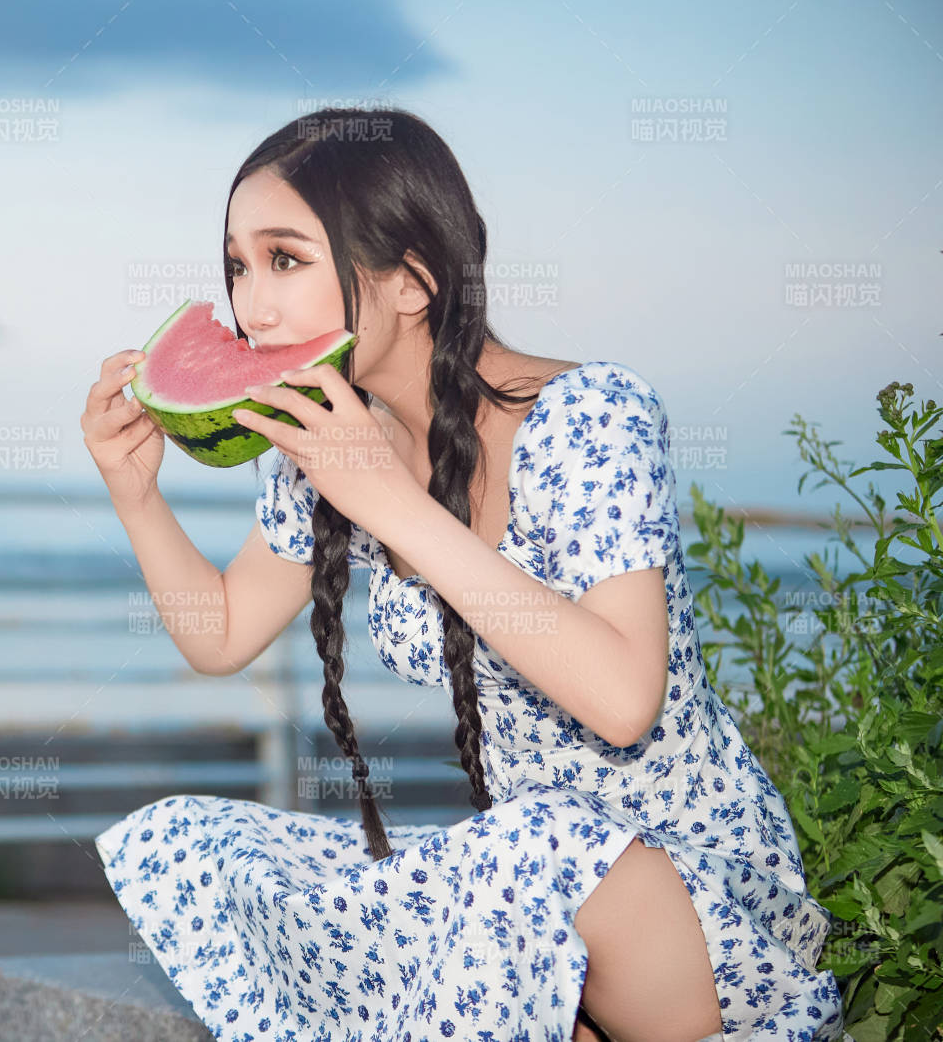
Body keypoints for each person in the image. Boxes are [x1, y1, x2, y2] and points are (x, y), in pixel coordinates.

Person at [79, 107, 844, 1042]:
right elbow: (222, 630)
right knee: (192, 842)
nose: (250, 307)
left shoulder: (588, 414)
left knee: (533, 842)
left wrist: (392, 504)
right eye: (236, 266)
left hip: (689, 895)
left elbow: (624, 697)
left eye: (284, 259)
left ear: (410, 280)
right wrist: (135, 495)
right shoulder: (326, 447)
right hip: (522, 893)